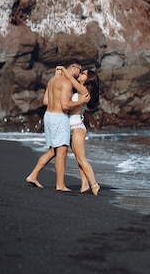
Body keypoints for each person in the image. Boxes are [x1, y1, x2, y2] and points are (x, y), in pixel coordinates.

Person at [25, 59, 90, 191]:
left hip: (48, 116)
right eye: (79, 69)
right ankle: (60, 185)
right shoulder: (66, 83)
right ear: (73, 68)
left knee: (52, 151)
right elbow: (65, 105)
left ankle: (33, 175)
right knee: (62, 152)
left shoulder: (52, 80)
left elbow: (45, 101)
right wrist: (80, 102)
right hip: (59, 118)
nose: (79, 73)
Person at [60, 65, 101, 196]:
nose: (80, 74)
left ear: (88, 79)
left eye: (83, 73)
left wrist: (66, 71)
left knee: (82, 158)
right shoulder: (79, 92)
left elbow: (72, 81)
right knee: (78, 159)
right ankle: (84, 185)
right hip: (72, 127)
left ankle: (94, 185)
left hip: (77, 127)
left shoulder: (84, 91)